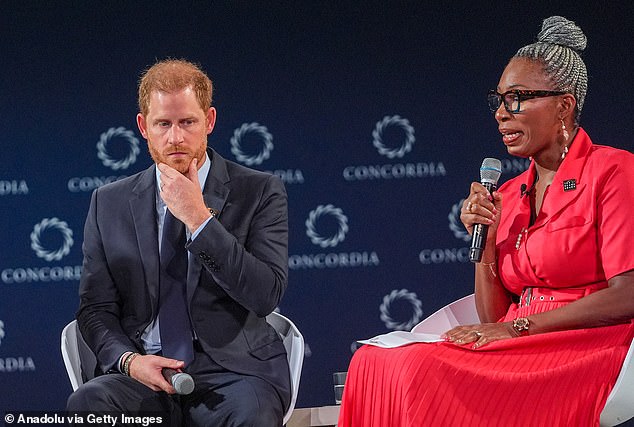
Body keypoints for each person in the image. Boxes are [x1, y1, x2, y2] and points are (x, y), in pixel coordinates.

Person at [338, 16, 634, 427]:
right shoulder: (509, 193)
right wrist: (488, 241)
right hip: (518, 341)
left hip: (588, 348)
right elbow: (493, 316)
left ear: (564, 105)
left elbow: (628, 296)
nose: (500, 113)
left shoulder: (615, 171)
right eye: (498, 100)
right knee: (374, 362)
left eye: (516, 98)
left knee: (417, 371)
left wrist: (522, 329)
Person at [66, 59, 291, 426]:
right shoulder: (108, 203)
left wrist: (200, 220)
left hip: (233, 375)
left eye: (187, 122)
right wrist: (130, 362)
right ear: (143, 127)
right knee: (89, 403)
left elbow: (265, 294)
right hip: (144, 373)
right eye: (163, 124)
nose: (176, 138)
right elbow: (95, 309)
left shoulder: (259, 191)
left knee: (254, 413)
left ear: (210, 121)